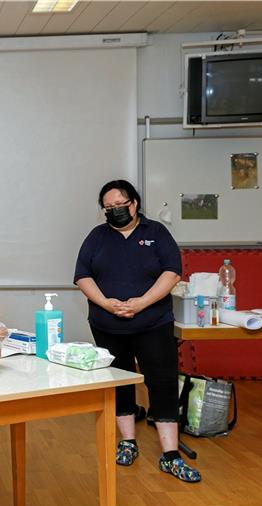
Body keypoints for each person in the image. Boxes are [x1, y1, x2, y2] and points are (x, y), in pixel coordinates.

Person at [73, 179, 201, 483]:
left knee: (162, 382)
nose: (115, 211)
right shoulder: (97, 236)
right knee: (120, 382)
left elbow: (172, 272)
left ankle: (170, 454)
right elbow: (82, 275)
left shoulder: (156, 232)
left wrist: (142, 303)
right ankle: (128, 442)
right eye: (108, 207)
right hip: (108, 324)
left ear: (134, 203)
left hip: (153, 323)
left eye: (120, 205)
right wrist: (106, 303)